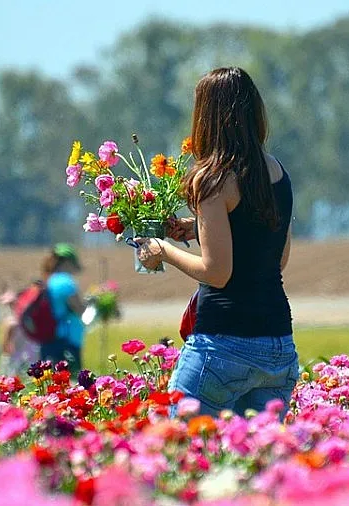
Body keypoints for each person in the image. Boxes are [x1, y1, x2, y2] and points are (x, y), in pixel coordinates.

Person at [134, 66, 297, 419]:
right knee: (256, 462)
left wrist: (164, 250)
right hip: (278, 347)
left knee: (181, 450)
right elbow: (276, 256)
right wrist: (198, 228)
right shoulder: (277, 173)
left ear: (206, 118)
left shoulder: (212, 178)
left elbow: (217, 272)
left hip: (223, 344)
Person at [39, 243, 86, 375]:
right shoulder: (65, 282)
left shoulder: (49, 279)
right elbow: (79, 308)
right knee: (73, 382)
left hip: (49, 338)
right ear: (66, 262)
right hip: (67, 339)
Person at [0, 290, 39, 376]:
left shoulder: (10, 323)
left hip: (15, 360)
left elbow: (4, 347)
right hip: (31, 358)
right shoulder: (31, 321)